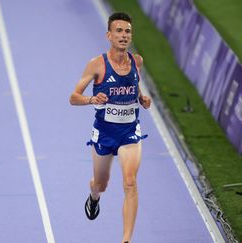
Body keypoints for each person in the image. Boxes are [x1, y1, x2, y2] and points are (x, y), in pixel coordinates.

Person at [69, 12, 151, 243]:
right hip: (104, 133)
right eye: (119, 31)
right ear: (109, 35)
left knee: (130, 182)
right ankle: (94, 196)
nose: (124, 35)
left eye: (127, 31)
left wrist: (143, 99)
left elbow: (135, 88)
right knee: (101, 183)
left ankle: (126, 239)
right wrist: (91, 100)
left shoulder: (137, 61)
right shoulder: (97, 64)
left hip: (129, 133)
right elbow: (73, 97)